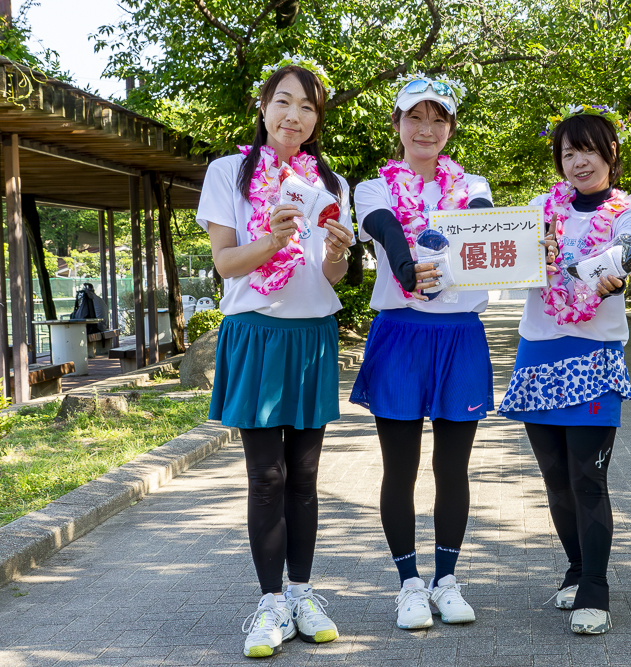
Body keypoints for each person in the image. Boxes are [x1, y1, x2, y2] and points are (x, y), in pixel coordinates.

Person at [197, 58, 355, 658]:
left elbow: (331, 274)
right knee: (266, 476)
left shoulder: (331, 186)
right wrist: (272, 239)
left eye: (308, 107)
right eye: (284, 101)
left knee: (305, 477)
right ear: (263, 108)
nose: (295, 115)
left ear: (317, 120)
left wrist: (338, 251)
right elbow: (225, 263)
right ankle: (270, 603)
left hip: (311, 334)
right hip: (256, 333)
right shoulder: (227, 173)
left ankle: (302, 593)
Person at [498, 105, 631, 635]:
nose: (579, 162)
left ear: (611, 153)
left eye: (588, 150)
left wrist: (608, 274)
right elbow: (505, 258)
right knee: (556, 479)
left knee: (588, 477)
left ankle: (596, 590)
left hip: (594, 356)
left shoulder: (630, 216)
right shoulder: (539, 210)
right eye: (568, 153)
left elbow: (628, 253)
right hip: (538, 354)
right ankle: (577, 568)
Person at [348, 73, 493, 630]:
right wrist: (406, 263)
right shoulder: (374, 187)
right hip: (401, 333)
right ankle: (409, 584)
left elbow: (478, 222)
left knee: (453, 467)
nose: (426, 129)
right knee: (400, 468)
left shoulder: (472, 183)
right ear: (397, 124)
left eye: (438, 119)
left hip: (460, 334)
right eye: (415, 117)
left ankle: (446, 580)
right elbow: (384, 228)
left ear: (450, 128)